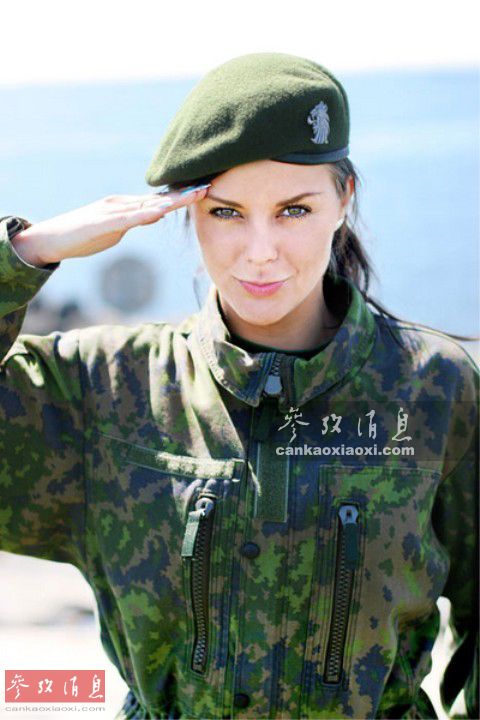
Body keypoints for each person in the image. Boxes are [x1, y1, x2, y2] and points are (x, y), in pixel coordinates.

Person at [0, 52, 478, 720]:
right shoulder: (104, 389)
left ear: (343, 199)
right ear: (184, 212)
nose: (259, 251)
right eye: (226, 212)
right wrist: (28, 252)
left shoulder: (435, 389)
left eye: (294, 210)